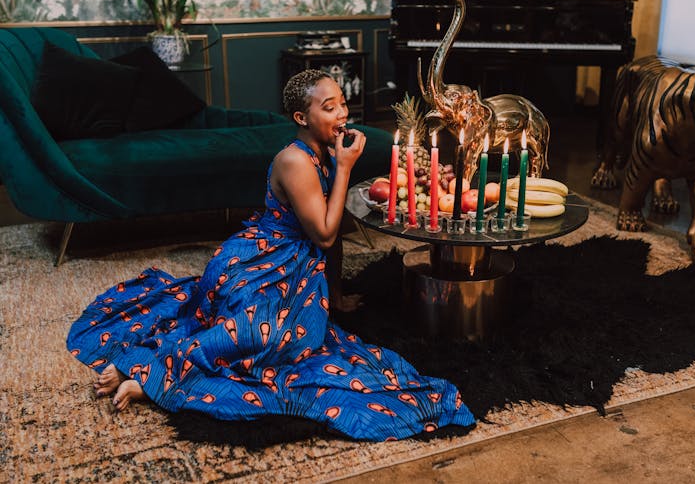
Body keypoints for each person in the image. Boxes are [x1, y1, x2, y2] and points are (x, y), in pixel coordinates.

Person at [66, 69, 475, 441]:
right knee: (258, 339)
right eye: (328, 107)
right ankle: (148, 374)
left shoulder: (326, 151)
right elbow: (327, 234)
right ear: (302, 118)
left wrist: (336, 293)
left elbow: (328, 245)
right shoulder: (296, 161)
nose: (341, 113)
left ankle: (148, 368)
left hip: (297, 267)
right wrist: (347, 168)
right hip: (260, 265)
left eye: (342, 103)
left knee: (296, 339)